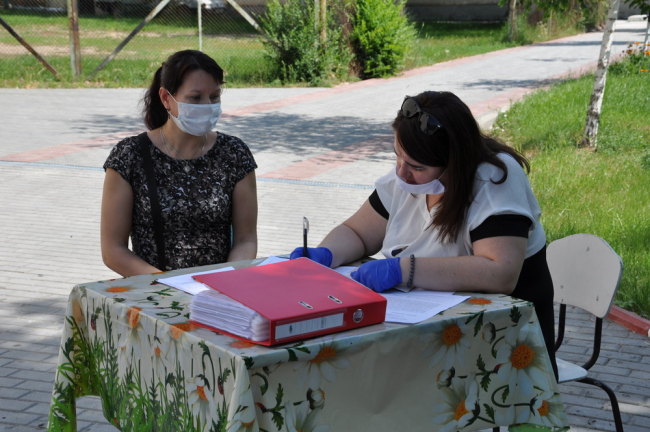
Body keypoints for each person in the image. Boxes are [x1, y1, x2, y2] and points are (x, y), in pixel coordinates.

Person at [291, 90, 557, 378]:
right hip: (429, 333)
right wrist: (326, 253)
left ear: (455, 163)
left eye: (417, 167)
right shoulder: (407, 179)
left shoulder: (495, 180)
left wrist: (403, 270)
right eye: (397, 156)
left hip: (501, 345)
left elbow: (500, 273)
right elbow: (357, 232)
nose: (401, 173)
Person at [101, 50, 258, 277]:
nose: (207, 105)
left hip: (218, 289)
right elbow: (113, 250)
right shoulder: (129, 156)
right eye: (195, 98)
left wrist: (226, 279)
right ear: (166, 98)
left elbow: (245, 240)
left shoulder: (234, 154)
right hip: (155, 291)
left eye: (214, 96)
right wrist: (169, 285)